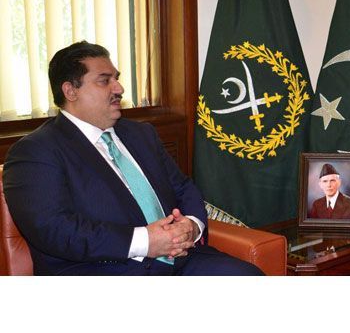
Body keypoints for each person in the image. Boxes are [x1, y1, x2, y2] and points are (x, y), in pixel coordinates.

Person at [3, 41, 263, 276]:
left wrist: (192, 226)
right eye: (105, 81)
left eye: (116, 79)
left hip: (181, 260)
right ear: (71, 91)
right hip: (104, 271)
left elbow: (183, 188)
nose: (119, 88)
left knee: (249, 278)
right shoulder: (35, 151)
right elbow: (54, 230)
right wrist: (146, 241)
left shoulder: (141, 134)